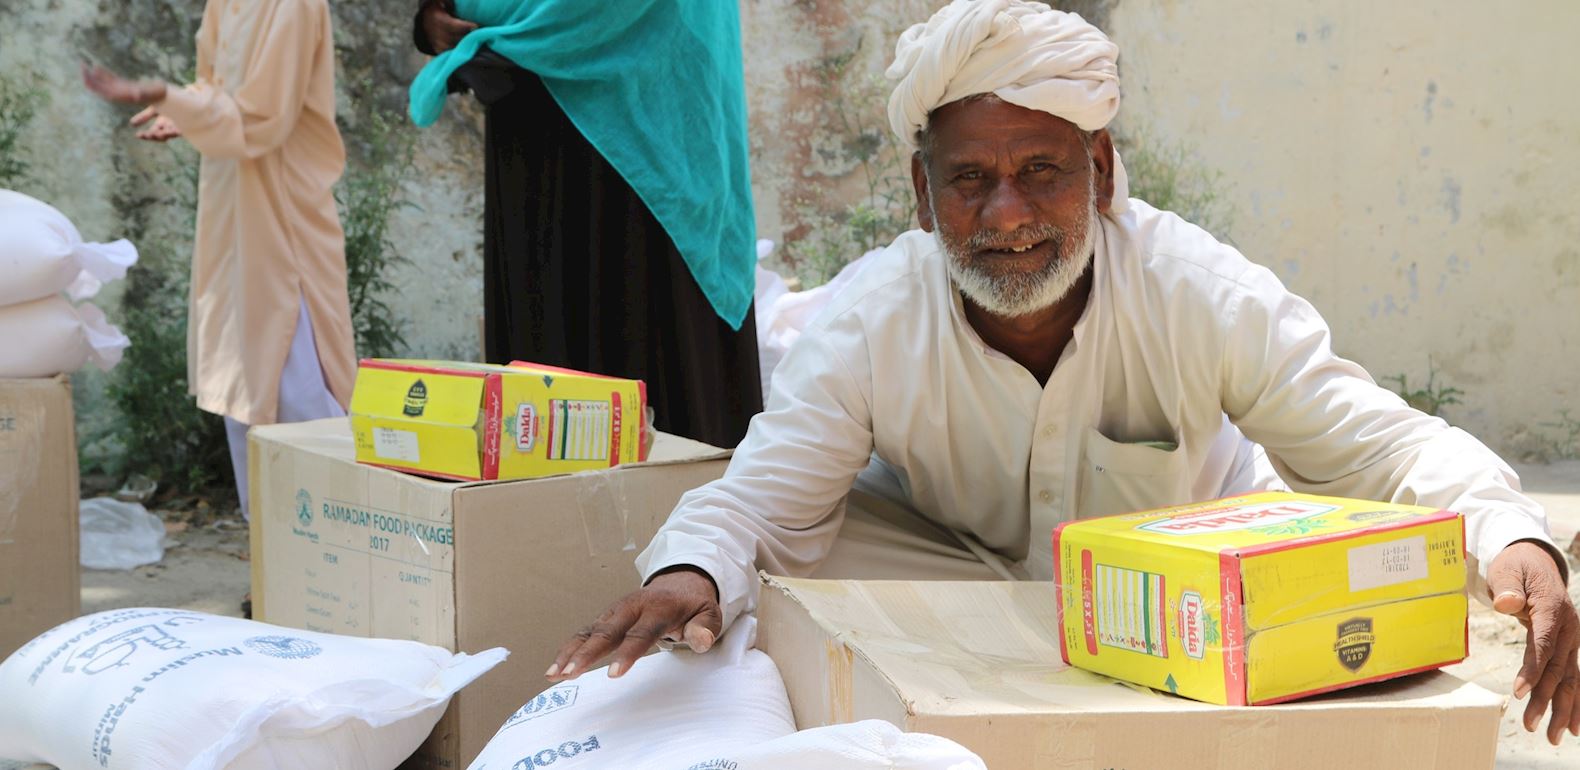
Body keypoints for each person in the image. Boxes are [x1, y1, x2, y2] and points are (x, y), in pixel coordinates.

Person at [549, 0, 1580, 746]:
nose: (1005, 216)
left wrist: (1513, 531)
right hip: (947, 571)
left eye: (1040, 170)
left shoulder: (1195, 291)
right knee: (757, 593)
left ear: (1099, 172)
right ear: (920, 194)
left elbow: (1383, 442)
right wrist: (686, 571)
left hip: (1185, 598)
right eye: (969, 181)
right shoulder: (870, 316)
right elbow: (759, 500)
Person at [409, 0, 763, 449]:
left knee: (648, 373)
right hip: (536, 113)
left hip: (648, 106)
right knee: (544, 403)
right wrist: (433, 12)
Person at [82, 0, 356, 519]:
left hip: (283, 219)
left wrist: (167, 95)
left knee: (296, 391)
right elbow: (217, 88)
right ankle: (278, 564)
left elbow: (264, 118)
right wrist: (183, 109)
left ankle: (338, 558)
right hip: (233, 217)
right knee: (247, 395)